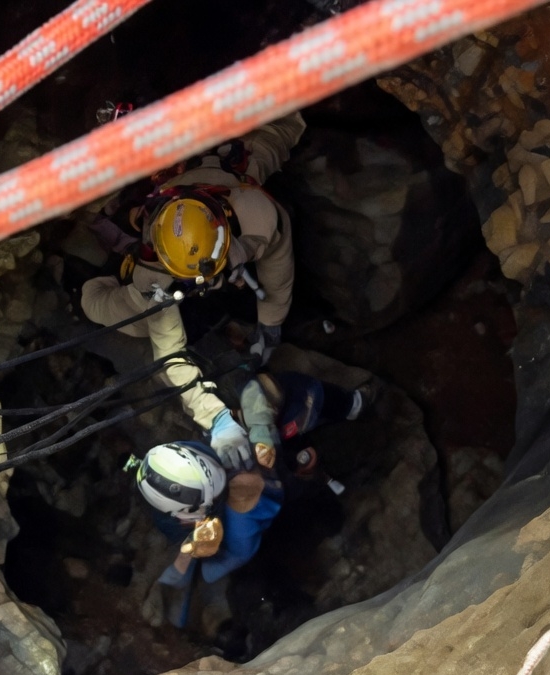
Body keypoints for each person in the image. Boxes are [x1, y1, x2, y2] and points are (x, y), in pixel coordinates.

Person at [79, 112, 307, 474]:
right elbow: (169, 353)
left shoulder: (261, 215)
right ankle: (92, 282)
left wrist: (272, 322)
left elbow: (278, 270)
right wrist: (213, 415)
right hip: (167, 232)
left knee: (276, 133)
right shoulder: (156, 265)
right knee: (124, 317)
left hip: (225, 176)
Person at [128, 370, 372, 626]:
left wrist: (257, 427)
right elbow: (211, 570)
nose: (231, 473)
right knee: (315, 509)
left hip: (275, 477)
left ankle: (350, 406)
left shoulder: (203, 456)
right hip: (283, 499)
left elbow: (251, 385)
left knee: (290, 398)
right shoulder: (237, 534)